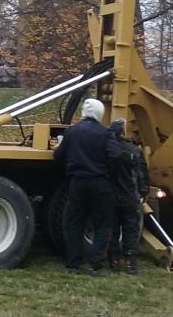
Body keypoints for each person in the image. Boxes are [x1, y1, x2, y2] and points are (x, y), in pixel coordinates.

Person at [53, 98, 121, 276]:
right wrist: (108, 171)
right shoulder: (105, 133)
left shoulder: (72, 132)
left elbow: (58, 155)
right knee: (102, 223)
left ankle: (73, 263)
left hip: (77, 182)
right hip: (100, 182)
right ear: (100, 114)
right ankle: (95, 263)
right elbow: (116, 155)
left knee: (74, 222)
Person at [107, 118, 150, 275]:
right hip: (129, 196)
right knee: (130, 230)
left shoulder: (107, 150)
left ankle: (113, 261)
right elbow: (141, 173)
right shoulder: (134, 150)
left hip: (111, 196)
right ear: (123, 131)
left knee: (112, 230)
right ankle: (130, 263)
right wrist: (144, 192)